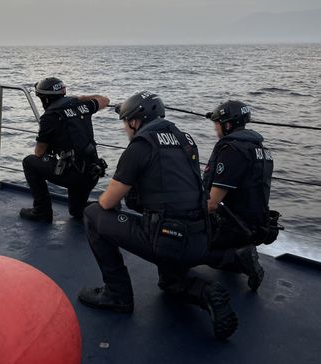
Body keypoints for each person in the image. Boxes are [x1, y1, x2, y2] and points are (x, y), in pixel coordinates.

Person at [78, 91, 238, 340]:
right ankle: (206, 292)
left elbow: (108, 202)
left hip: (167, 238)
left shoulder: (141, 145)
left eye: (125, 123)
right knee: (169, 283)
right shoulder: (186, 140)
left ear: (134, 121)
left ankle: (117, 295)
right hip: (199, 238)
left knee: (92, 213)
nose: (125, 129)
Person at [203, 100, 278, 291]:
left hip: (233, 228)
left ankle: (239, 257)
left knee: (184, 245)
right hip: (254, 226)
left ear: (227, 125)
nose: (215, 129)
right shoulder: (263, 151)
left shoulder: (232, 151)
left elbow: (211, 204)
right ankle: (238, 253)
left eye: (217, 123)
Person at [19, 77, 110, 223]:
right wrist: (78, 99)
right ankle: (108, 206)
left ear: (45, 99)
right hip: (92, 172)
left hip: (73, 175)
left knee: (29, 162)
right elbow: (105, 100)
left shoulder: (49, 117)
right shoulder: (83, 106)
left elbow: (39, 152)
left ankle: (42, 211)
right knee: (76, 211)